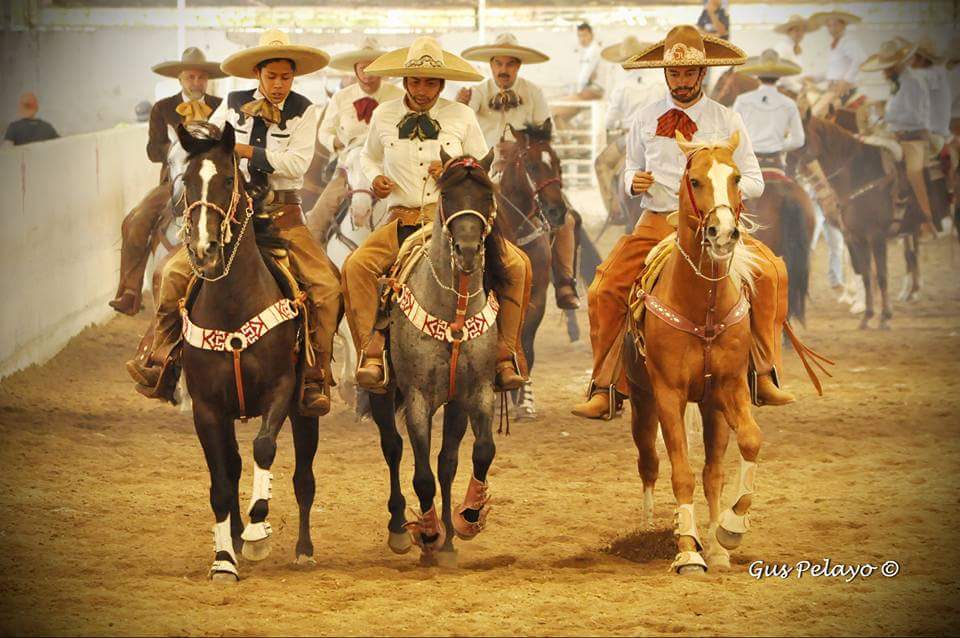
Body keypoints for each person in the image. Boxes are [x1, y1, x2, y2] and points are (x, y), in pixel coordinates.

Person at [571, 25, 793, 420]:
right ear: (665, 75)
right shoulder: (643, 118)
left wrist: (727, 190)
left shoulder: (728, 119)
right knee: (603, 289)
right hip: (657, 220)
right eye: (675, 73)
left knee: (772, 273)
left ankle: (763, 372)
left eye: (690, 72)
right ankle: (606, 385)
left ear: (703, 73)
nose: (682, 80)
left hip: (713, 225)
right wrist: (632, 181)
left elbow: (755, 180)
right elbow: (631, 169)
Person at [126, 29, 342, 417]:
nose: (279, 84)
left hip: (283, 215)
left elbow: (296, 164)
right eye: (272, 76)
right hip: (233, 214)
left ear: (293, 78)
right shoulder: (231, 102)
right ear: (257, 74)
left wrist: (243, 150)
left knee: (326, 285)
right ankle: (162, 357)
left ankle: (315, 371)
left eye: (286, 77)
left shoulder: (306, 110)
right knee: (173, 272)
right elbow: (207, 139)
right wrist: (197, 143)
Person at [341, 36, 533, 392]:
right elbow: (367, 156)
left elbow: (480, 168)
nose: (423, 89)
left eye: (431, 82)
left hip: (451, 219)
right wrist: (374, 177)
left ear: (442, 84)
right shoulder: (384, 114)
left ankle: (505, 354)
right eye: (416, 81)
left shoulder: (460, 115)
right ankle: (372, 352)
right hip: (400, 218)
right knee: (356, 266)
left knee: (517, 266)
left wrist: (454, 170)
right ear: (404, 82)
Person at [458, 33, 579, 309]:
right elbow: (462, 121)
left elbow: (545, 133)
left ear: (518, 67)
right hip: (485, 170)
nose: (503, 70)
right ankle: (462, 276)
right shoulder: (476, 93)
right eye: (498, 64)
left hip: (526, 169)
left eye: (510, 64)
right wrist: (461, 105)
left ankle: (564, 281)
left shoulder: (533, 92)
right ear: (490, 66)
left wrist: (523, 149)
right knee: (463, 215)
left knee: (567, 218)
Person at [108, 47, 225, 316]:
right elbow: (152, 150)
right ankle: (130, 290)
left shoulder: (220, 106)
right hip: (173, 181)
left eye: (201, 78)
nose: (196, 83)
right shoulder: (162, 108)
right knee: (136, 220)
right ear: (180, 79)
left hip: (212, 180)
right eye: (191, 77)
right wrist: (176, 150)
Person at [306, 38, 403, 241]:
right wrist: (336, 142)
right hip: (348, 168)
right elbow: (324, 131)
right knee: (316, 219)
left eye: (373, 69)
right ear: (355, 70)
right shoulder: (341, 97)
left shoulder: (398, 96)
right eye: (362, 69)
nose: (367, 76)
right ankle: (316, 266)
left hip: (389, 170)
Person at [862, 39, 936, 235]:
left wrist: (885, 114)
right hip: (898, 135)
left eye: (887, 68)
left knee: (913, 172)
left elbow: (915, 116)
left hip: (913, 138)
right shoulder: (899, 82)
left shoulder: (912, 83)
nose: (884, 72)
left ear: (897, 65)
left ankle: (926, 218)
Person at [595, 36, 664, 225]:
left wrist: (618, 125)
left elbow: (609, 122)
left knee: (601, 164)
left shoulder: (622, 88)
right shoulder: (660, 83)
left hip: (629, 138)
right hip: (658, 138)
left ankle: (615, 211)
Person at [732, 50, 806, 168]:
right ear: (779, 77)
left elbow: (731, 133)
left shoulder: (742, 100)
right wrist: (778, 145)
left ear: (757, 75)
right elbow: (799, 140)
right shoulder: (789, 103)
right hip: (775, 162)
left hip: (749, 162)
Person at [808, 10, 867, 117]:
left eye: (835, 25)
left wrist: (846, 80)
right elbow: (834, 71)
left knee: (814, 115)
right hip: (832, 87)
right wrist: (815, 78)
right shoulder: (835, 44)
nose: (832, 29)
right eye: (829, 26)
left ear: (843, 25)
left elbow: (861, 59)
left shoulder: (848, 41)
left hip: (842, 89)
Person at [552, 23, 605, 127]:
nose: (582, 39)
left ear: (592, 35)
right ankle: (570, 138)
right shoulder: (592, 50)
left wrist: (576, 94)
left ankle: (568, 140)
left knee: (555, 113)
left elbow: (584, 77)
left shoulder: (593, 51)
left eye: (585, 35)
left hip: (592, 92)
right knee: (560, 116)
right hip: (592, 90)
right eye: (579, 36)